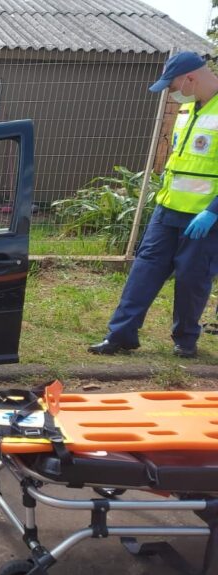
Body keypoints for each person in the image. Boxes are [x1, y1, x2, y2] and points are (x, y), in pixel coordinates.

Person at [89, 51, 218, 359]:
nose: (171, 93)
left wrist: (212, 212)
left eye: (172, 86)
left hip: (203, 217)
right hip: (167, 210)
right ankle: (120, 336)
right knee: (143, 272)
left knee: (192, 279)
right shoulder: (186, 110)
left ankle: (185, 340)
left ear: (190, 78)